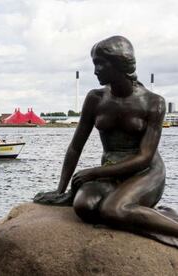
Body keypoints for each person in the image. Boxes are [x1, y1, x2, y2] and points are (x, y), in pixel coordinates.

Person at [33, 36, 178, 247]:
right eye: (95, 64)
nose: (96, 71)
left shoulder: (154, 103)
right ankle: (145, 215)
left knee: (113, 209)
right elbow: (75, 146)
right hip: (111, 171)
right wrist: (60, 190)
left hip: (145, 173)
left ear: (120, 64)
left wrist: (94, 173)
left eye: (101, 64)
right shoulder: (95, 99)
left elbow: (145, 157)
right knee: (84, 206)